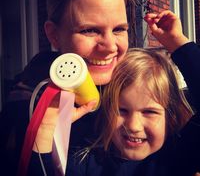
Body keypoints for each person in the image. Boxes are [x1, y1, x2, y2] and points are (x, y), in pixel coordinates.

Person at [0, 0, 135, 176]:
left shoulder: (138, 87)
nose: (110, 46)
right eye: (90, 30)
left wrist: (181, 48)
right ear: (54, 34)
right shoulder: (26, 106)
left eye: (119, 29)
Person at [66, 10, 200, 176]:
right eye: (121, 110)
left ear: (170, 116)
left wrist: (178, 44)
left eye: (149, 112)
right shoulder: (84, 160)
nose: (133, 126)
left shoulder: (179, 157)